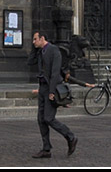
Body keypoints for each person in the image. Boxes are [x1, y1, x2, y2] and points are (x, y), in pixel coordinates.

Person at [31, 31, 78, 159]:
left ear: (42, 38)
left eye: (35, 39)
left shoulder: (54, 50)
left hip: (50, 89)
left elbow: (55, 72)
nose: (33, 41)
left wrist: (51, 91)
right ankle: (46, 149)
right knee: (41, 119)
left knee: (48, 118)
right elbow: (30, 62)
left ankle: (70, 136)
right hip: (42, 88)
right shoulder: (40, 52)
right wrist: (34, 50)